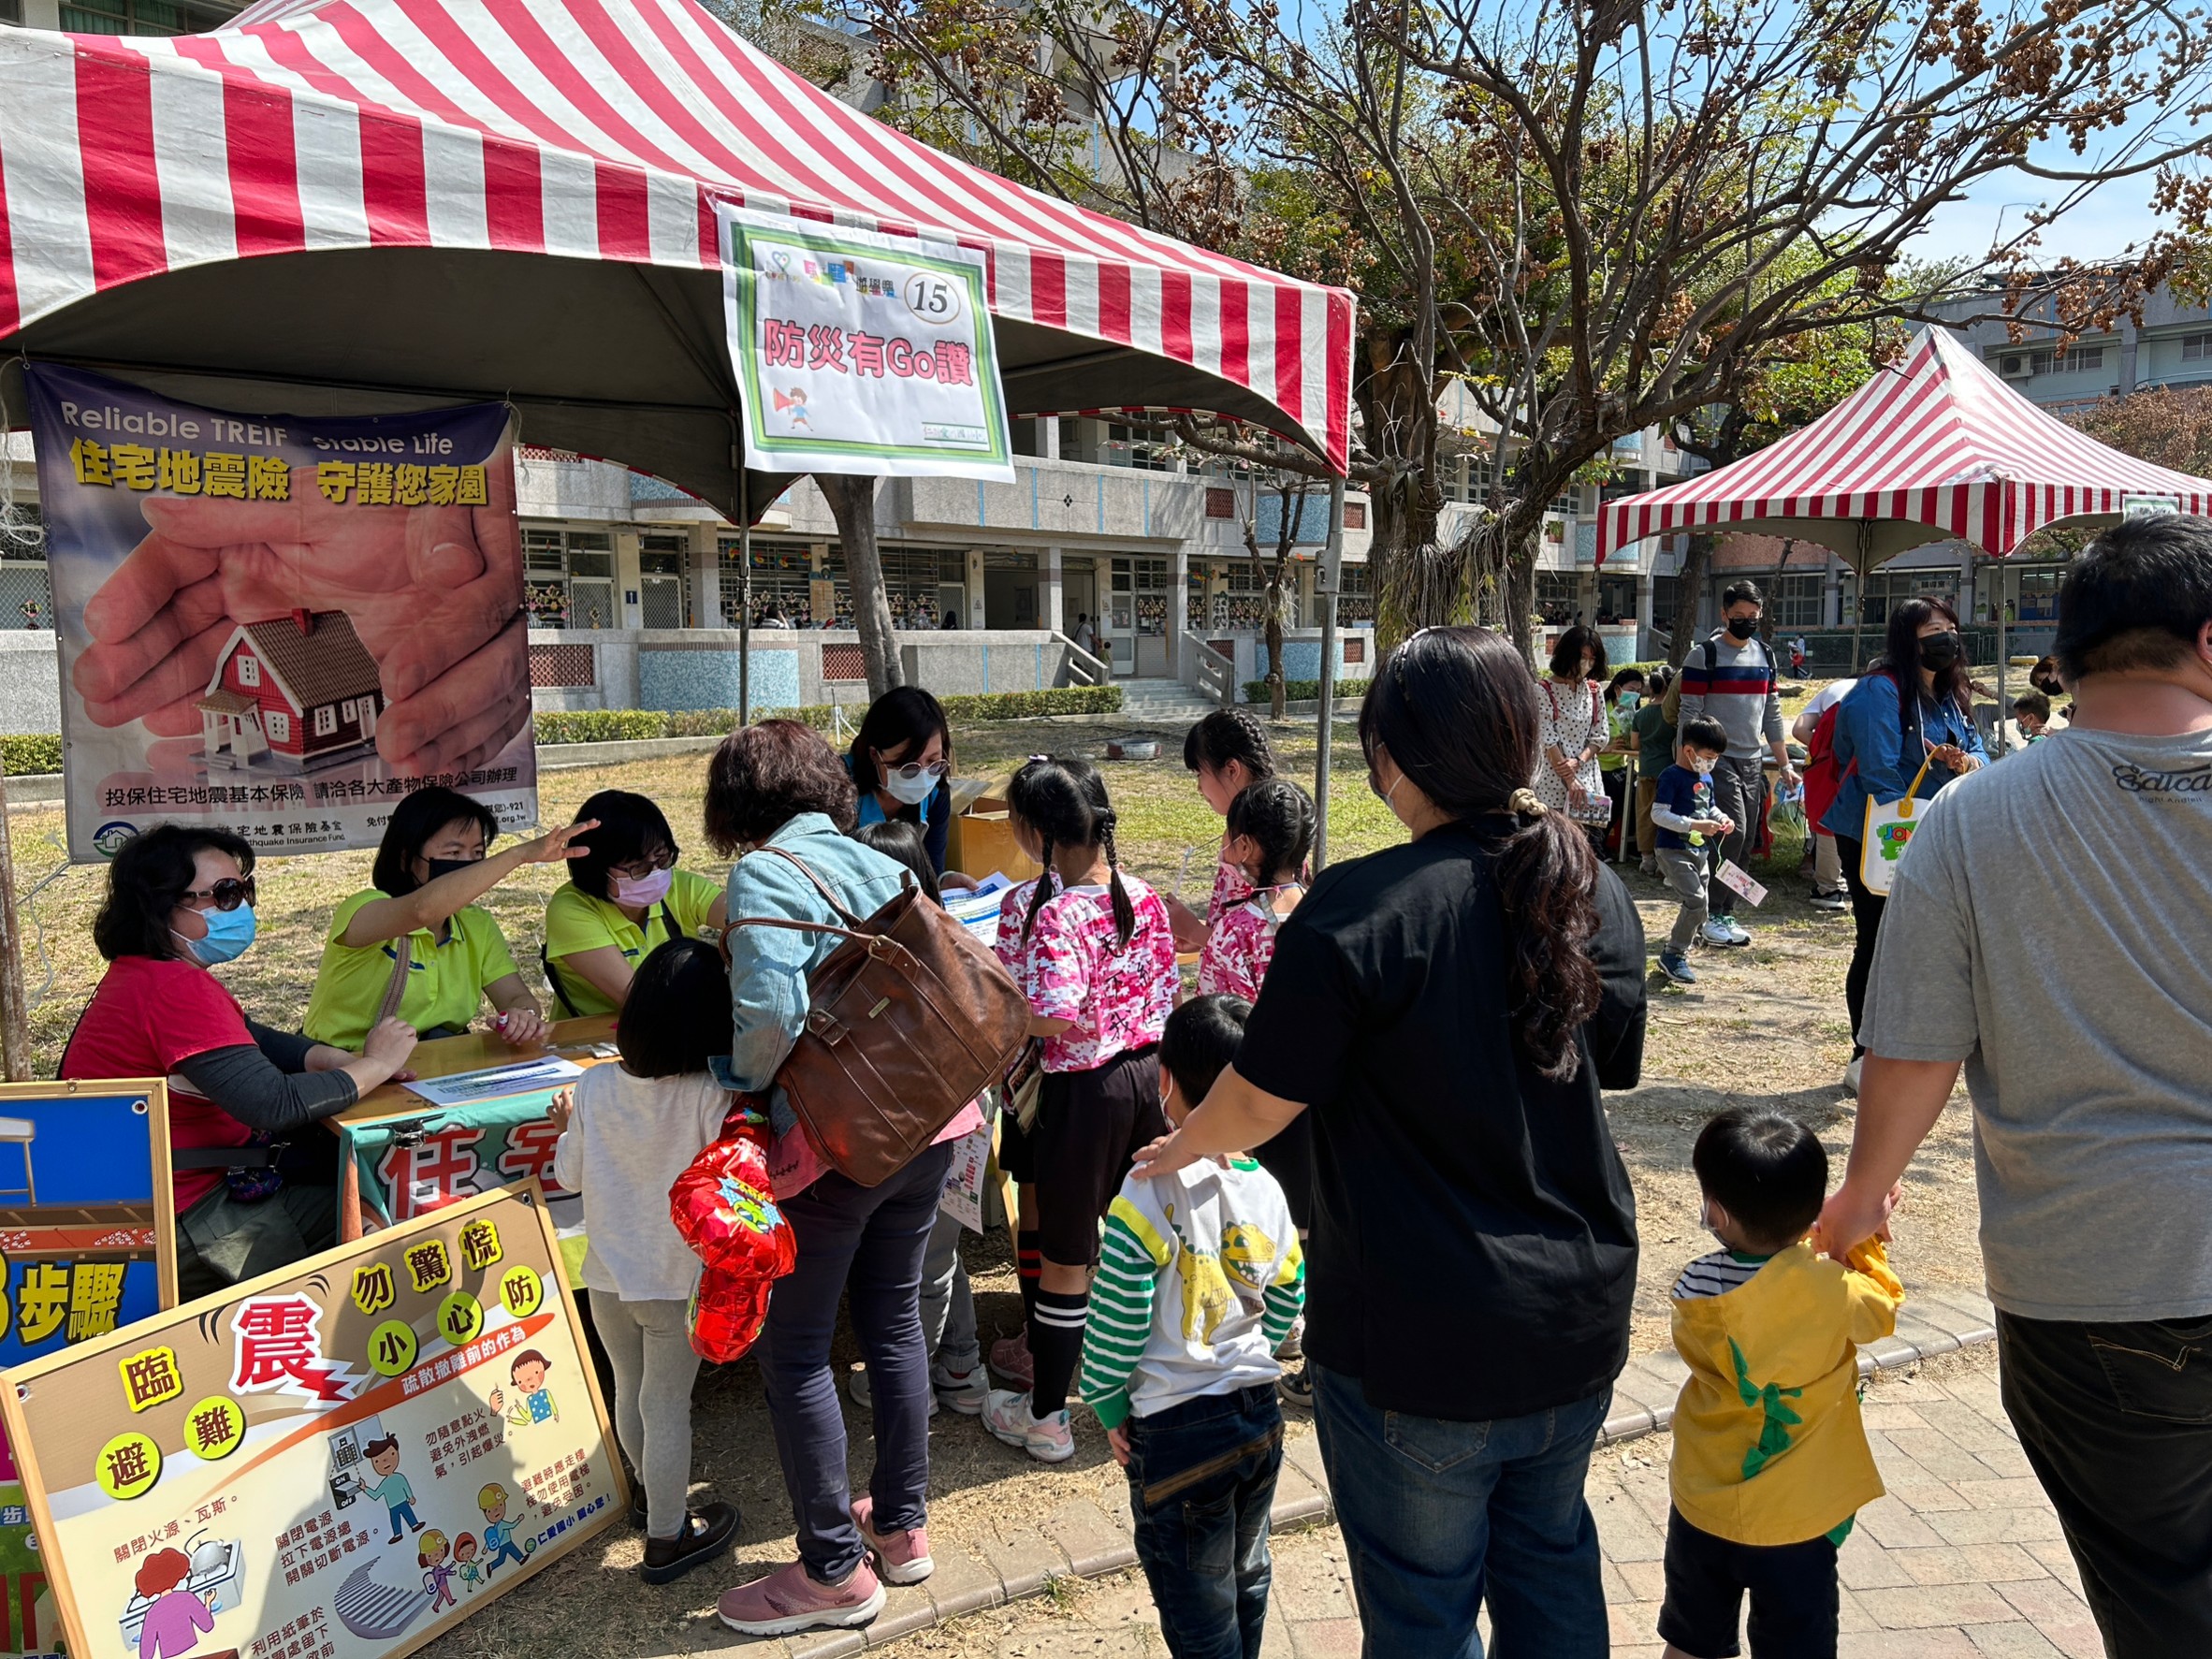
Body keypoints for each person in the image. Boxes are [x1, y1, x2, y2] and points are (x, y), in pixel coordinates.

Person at [1130, 626, 1648, 1658]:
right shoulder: (1587, 884)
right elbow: (1614, 1066)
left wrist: (1180, 1143)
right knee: (1550, 1569)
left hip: (1421, 1336)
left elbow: (1262, 1097)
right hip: (1576, 1316)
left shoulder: (1360, 906)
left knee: (1422, 1611)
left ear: (1392, 759)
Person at [1816, 517, 2212, 1658]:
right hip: (2100, 1288)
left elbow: (1914, 1051)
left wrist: (1861, 1201)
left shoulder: (1973, 820)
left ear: (2069, 654)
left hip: (2092, 1291)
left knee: (2160, 1597)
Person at [710, 721, 975, 1638]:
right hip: (929, 1121)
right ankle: (901, 1529)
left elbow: (771, 1022)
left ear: (738, 804)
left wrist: (732, 1076)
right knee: (895, 1320)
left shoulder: (761, 877)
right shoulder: (884, 863)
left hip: (838, 1146)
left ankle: (831, 1570)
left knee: (796, 1350)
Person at [61, 824, 418, 1299]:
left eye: (245, 889)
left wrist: (325, 1057)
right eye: (225, 894)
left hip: (162, 1193)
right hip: (188, 1215)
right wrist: (376, 1063)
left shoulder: (146, 974)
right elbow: (274, 1104)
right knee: (388, 1208)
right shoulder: (174, 989)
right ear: (162, 904)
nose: (243, 907)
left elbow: (249, 1037)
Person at [1080, 994, 1305, 1659]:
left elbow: (1116, 1317)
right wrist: (1252, 1350)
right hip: (1257, 1417)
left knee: (1199, 1609)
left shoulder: (1146, 1188)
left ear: (1165, 1081)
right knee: (1247, 1575)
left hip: (1176, 1431)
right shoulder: (1267, 1187)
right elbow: (1291, 1290)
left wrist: (1108, 1401)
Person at [982, 757, 1177, 1464]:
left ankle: (1047, 1417)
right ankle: (1158, 1385)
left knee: (1068, 1258)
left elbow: (1054, 1015)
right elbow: (1164, 993)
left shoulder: (1056, 911)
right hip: (1148, 1081)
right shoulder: (1143, 894)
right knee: (1144, 1236)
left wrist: (997, 1011)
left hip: (1080, 1092)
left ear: (1036, 832)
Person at [1660, 1109, 1901, 1659]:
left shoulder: (1696, 1287)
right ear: (1816, 1208)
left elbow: (1747, 1315)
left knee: (1692, 1639)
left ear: (1714, 1211)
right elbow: (1880, 1312)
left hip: (1705, 1503)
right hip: (1799, 1517)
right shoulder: (1836, 1288)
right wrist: (1855, 1243)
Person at [548, 937, 740, 1583]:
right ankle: (667, 1534)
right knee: (666, 1405)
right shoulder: (712, 1094)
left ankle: (650, 1503)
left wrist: (568, 1123)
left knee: (629, 1389)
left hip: (606, 1273)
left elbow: (568, 1175)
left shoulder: (595, 1084)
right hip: (675, 1279)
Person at [841, 820, 992, 1419]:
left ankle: (910, 1388)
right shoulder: (955, 937)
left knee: (917, 1270)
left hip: (926, 1134)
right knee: (941, 1249)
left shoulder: (879, 955)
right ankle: (961, 1362)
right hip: (969, 1124)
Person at [1820, 598, 1985, 1093]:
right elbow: (1879, 773)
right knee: (1878, 937)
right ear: (1906, 638)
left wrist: (1964, 763)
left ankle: (1910, 1045)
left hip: (1938, 831)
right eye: (1933, 629)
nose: (1946, 637)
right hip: (1879, 832)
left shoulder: (1953, 696)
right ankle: (1863, 1053)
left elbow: (1980, 752)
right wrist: (1918, 823)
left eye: (1951, 628)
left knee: (1929, 943)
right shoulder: (1879, 690)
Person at [1196, 776, 1319, 1406]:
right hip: (1322, 1097)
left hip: (1258, 1098)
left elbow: (1220, 1022)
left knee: (1254, 1224)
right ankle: (1311, 1339)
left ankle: (1264, 1338)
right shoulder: (1326, 910)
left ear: (1245, 846)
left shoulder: (1236, 927)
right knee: (1313, 1222)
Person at [304, 787, 591, 1050]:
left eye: (478, 853)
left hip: (433, 1068)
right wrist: (520, 855)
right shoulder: (362, 910)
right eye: (454, 852)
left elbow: (517, 997)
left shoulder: (477, 925)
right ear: (406, 858)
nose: (469, 865)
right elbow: (422, 910)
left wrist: (523, 1016)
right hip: (344, 1070)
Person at [1676, 582, 1799, 946]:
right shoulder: (1704, 656)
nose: (1746, 622)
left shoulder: (1765, 655)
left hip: (1753, 760)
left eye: (1753, 617)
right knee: (1734, 832)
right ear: (1724, 614)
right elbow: (1689, 713)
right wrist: (1690, 763)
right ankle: (1712, 912)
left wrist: (1784, 763)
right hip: (1716, 761)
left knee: (1746, 842)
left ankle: (1724, 913)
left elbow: (1772, 714)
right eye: (1739, 616)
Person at [542, 790, 726, 1017]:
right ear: (596, 868)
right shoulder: (570, 910)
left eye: (662, 858)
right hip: (593, 1046)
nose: (655, 873)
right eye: (638, 867)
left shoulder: (679, 886)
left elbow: (747, 916)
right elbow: (639, 998)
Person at [1166, 708, 1278, 953]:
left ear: (1231, 770)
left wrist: (1195, 931)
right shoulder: (1267, 823)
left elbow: (1260, 944)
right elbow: (1236, 928)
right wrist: (1202, 938)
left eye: (1199, 774)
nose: (1198, 787)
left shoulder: (1252, 839)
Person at [1650, 716, 1736, 987]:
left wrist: (1722, 819)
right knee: (1696, 901)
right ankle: (1673, 954)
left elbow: (1708, 807)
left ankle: (1691, 939)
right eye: (1708, 756)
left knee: (1703, 904)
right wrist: (1694, 825)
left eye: (1716, 758)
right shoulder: (1671, 777)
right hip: (1673, 849)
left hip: (1699, 850)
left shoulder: (1706, 777)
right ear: (1689, 751)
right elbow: (1658, 814)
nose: (1711, 763)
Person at [845, 685, 960, 879]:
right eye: (908, 765)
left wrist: (942, 880)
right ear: (875, 754)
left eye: (933, 762)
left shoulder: (936, 793)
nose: (923, 775)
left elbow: (931, 868)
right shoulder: (836, 789)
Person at [1533, 624, 1610, 850]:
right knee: (1555, 851)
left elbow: (1600, 735)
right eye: (1582, 656)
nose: (1586, 663)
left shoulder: (1594, 691)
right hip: (1551, 786)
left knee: (1590, 852)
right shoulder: (1543, 690)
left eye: (1592, 658)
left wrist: (1580, 760)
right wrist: (1569, 779)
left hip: (1589, 785)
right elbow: (1548, 740)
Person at [1793, 676, 1858, 912]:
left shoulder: (1833, 689)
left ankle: (1829, 889)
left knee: (1829, 817)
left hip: (1832, 752)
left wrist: (1826, 750)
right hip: (1875, 745)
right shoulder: (1887, 689)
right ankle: (1863, 881)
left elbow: (1799, 729)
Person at [1634, 665, 1677, 876]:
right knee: (1667, 814)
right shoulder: (1672, 715)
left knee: (1644, 814)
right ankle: (1663, 860)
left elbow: (1635, 744)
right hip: (1667, 770)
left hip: (1645, 770)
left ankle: (1646, 859)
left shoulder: (1640, 714)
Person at [1599, 666, 1648, 857]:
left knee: (1637, 793)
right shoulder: (1602, 707)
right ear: (1618, 688)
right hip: (1600, 767)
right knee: (1614, 793)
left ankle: (1629, 846)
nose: (1634, 694)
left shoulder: (1633, 712)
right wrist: (1608, 745)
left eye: (1638, 691)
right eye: (1631, 689)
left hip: (1622, 767)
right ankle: (1600, 845)